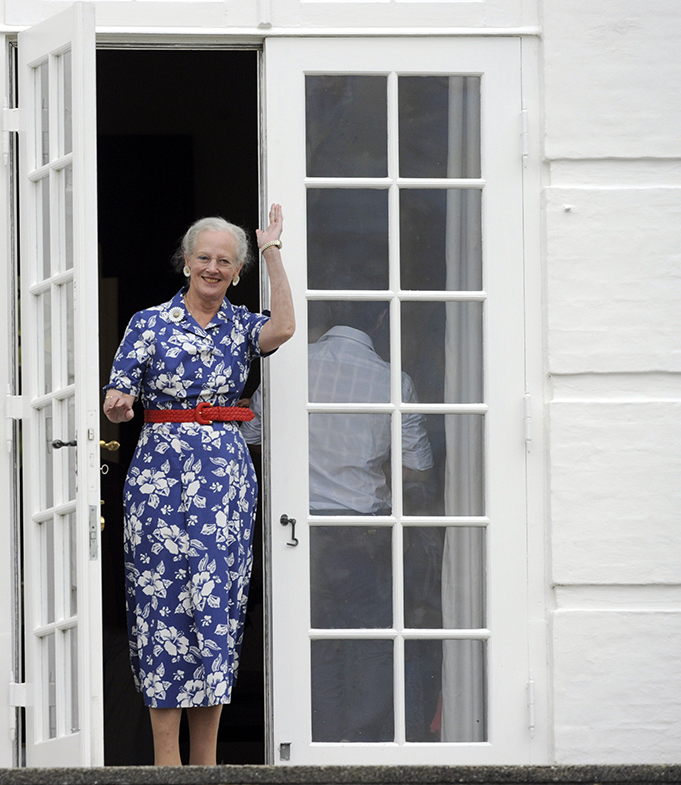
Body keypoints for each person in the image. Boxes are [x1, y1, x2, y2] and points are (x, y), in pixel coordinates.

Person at [103, 206, 294, 766]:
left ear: (237, 272)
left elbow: (283, 326)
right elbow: (118, 397)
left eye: (225, 261)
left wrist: (271, 252)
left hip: (224, 480)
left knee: (217, 608)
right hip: (159, 480)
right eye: (203, 257)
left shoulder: (241, 326)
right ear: (186, 263)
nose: (212, 267)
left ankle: (207, 766)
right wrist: (119, 404)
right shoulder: (148, 323)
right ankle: (168, 762)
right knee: (160, 610)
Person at [240, 300, 439, 742]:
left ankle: (320, 741)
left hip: (299, 530)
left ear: (324, 317)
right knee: (370, 643)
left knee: (316, 647)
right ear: (381, 320)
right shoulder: (392, 380)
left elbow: (249, 437)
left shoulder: (289, 372)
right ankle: (359, 746)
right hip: (363, 532)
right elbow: (420, 465)